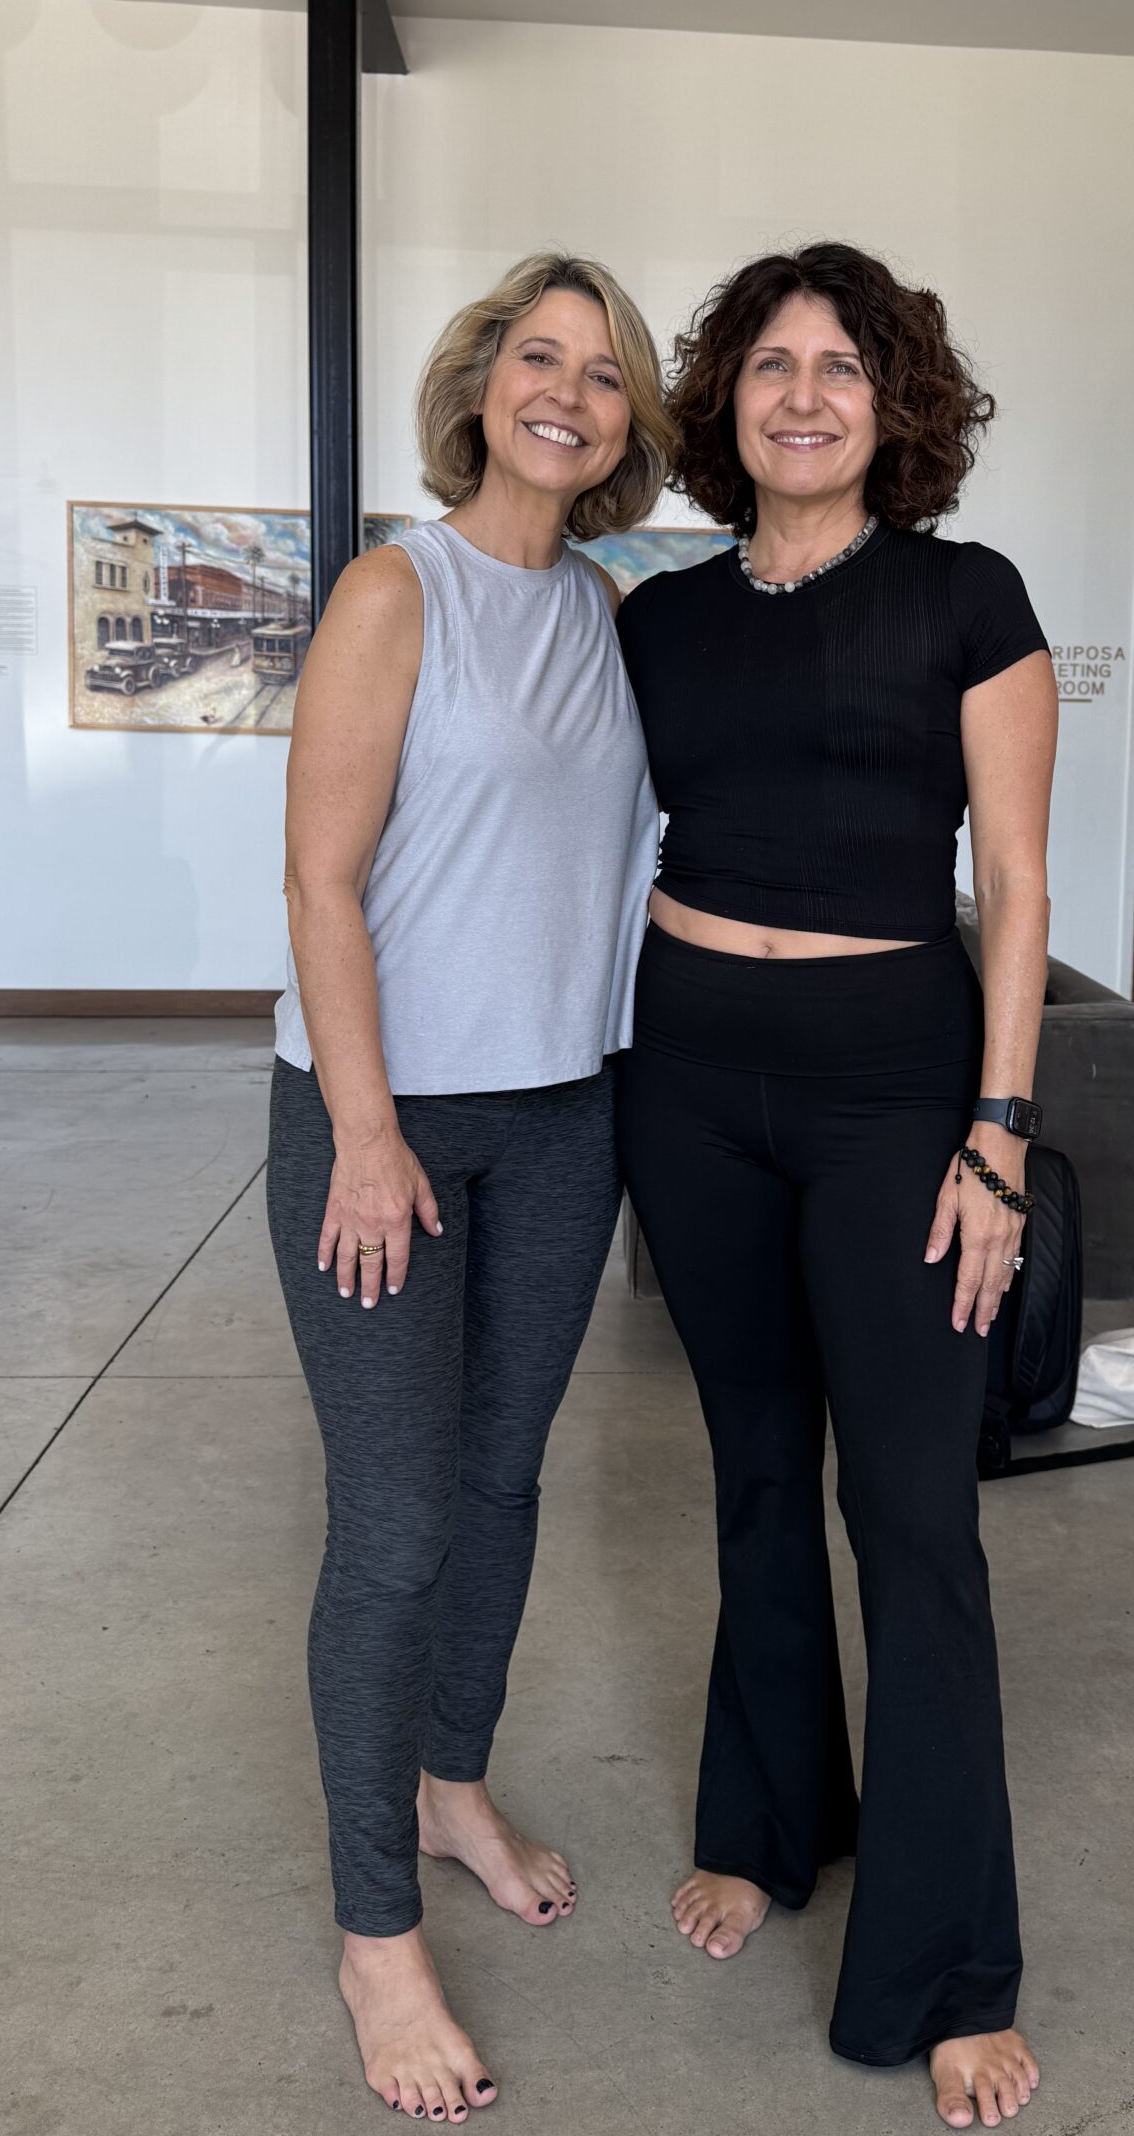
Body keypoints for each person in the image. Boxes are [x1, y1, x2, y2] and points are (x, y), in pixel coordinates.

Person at [616, 242, 1058, 2132]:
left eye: (843, 369)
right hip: (693, 1077)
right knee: (747, 1474)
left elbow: (1023, 889)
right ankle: (774, 1821)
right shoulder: (659, 619)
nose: (805, 395)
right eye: (773, 365)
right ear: (725, 400)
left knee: (914, 1521)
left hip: (898, 1097)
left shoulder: (970, 598)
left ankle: (954, 1963)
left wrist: (1000, 1134)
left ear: (897, 406)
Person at [268, 252, 673, 2123]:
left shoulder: (603, 606)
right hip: (386, 1122)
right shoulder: (390, 589)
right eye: (539, 355)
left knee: (502, 1488)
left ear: (626, 425)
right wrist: (365, 1132)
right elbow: (322, 883)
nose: (568, 392)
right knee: (401, 1515)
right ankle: (376, 1941)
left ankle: (450, 1784)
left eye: (603, 373)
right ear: (483, 381)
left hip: (562, 1118)